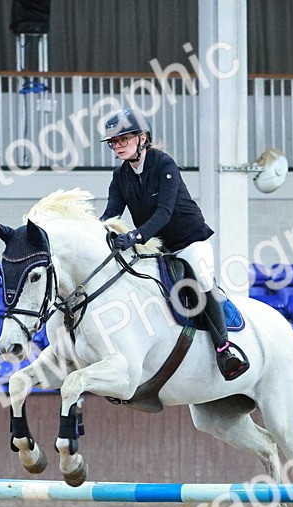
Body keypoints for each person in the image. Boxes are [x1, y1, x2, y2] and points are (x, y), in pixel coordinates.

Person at [97, 108, 249, 380]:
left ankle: (225, 350)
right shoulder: (120, 177)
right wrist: (95, 233)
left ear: (143, 138)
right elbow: (111, 214)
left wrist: (133, 236)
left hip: (190, 240)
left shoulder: (164, 164)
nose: (118, 146)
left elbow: (164, 213)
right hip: (158, 246)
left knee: (202, 281)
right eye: (114, 142)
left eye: (124, 139)